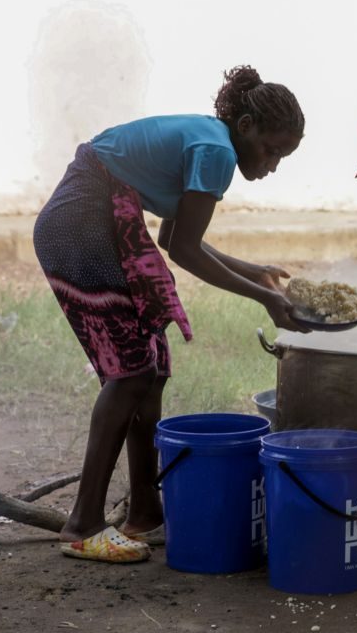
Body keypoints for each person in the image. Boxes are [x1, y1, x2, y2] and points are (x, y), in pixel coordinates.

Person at [34, 65, 307, 563]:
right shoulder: (217, 151)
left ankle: (145, 510)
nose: (271, 166)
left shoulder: (210, 139)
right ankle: (83, 523)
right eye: (272, 150)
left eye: (283, 157)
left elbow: (172, 239)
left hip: (105, 224)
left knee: (152, 370)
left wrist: (255, 271)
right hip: (82, 224)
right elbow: (184, 249)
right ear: (245, 127)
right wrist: (265, 298)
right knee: (131, 371)